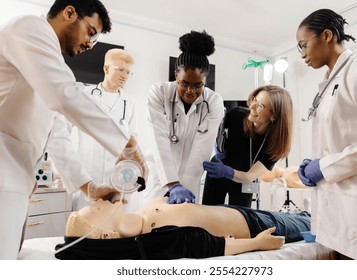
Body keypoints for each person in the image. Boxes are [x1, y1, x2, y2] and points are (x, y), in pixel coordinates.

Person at [0, 0, 138, 260]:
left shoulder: (54, 66)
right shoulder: (29, 28)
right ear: (69, 12)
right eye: (91, 33)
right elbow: (63, 97)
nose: (90, 44)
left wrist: (89, 188)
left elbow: (57, 136)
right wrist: (127, 144)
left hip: (15, 179)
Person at [296, 8, 357, 259]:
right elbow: (337, 140)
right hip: (338, 215)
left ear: (326, 35)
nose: (303, 54)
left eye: (304, 45)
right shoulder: (327, 84)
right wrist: (315, 163)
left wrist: (323, 166)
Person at [54, 197, 310, 259]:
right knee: (312, 221)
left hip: (238, 211)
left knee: (307, 215)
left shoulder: (139, 215)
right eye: (97, 208)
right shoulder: (152, 239)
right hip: (256, 225)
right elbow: (208, 245)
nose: (98, 201)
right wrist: (257, 244)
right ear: (107, 234)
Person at [145, 30, 225, 204]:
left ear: (205, 80)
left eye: (198, 85)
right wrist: (173, 184)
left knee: (183, 225)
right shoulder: (159, 93)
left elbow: (201, 150)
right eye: (184, 84)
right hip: (160, 180)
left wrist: (184, 191)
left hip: (190, 183)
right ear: (176, 75)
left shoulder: (214, 102)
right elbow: (158, 138)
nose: (190, 91)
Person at [71, 48, 142, 211]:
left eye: (129, 72)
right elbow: (63, 131)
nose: (125, 75)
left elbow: (133, 143)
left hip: (119, 180)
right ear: (106, 69)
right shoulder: (85, 95)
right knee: (84, 227)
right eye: (121, 69)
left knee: (115, 230)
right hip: (89, 177)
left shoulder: (128, 103)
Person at [202, 85, 293, 207]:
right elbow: (218, 135)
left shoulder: (275, 145)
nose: (251, 106)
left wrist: (227, 172)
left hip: (242, 180)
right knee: (208, 214)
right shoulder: (235, 115)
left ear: (274, 116)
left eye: (260, 106)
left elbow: (249, 176)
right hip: (218, 168)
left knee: (240, 221)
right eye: (255, 99)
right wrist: (218, 150)